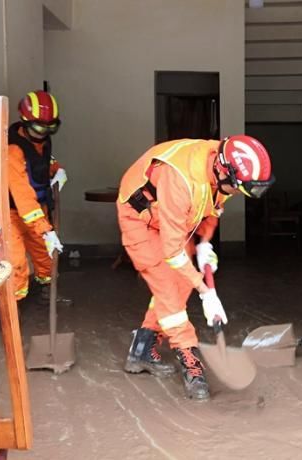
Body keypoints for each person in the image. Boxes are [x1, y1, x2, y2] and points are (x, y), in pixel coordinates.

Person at [117, 136, 274, 400]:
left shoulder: (221, 164)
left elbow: (213, 205)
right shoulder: (180, 179)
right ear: (223, 171)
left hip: (172, 219)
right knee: (168, 288)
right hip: (140, 220)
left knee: (179, 286)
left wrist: (204, 243)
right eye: (237, 188)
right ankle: (189, 358)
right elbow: (172, 251)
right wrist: (205, 291)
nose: (236, 192)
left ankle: (141, 349)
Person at [8, 90, 69, 304]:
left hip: (38, 207)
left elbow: (42, 158)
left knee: (45, 254)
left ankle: (48, 293)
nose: (44, 132)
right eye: (39, 127)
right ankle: (12, 311)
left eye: (50, 128)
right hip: (12, 213)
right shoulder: (13, 150)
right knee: (15, 262)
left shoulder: (41, 140)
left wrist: (56, 169)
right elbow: (22, 195)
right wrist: (45, 230)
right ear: (25, 122)